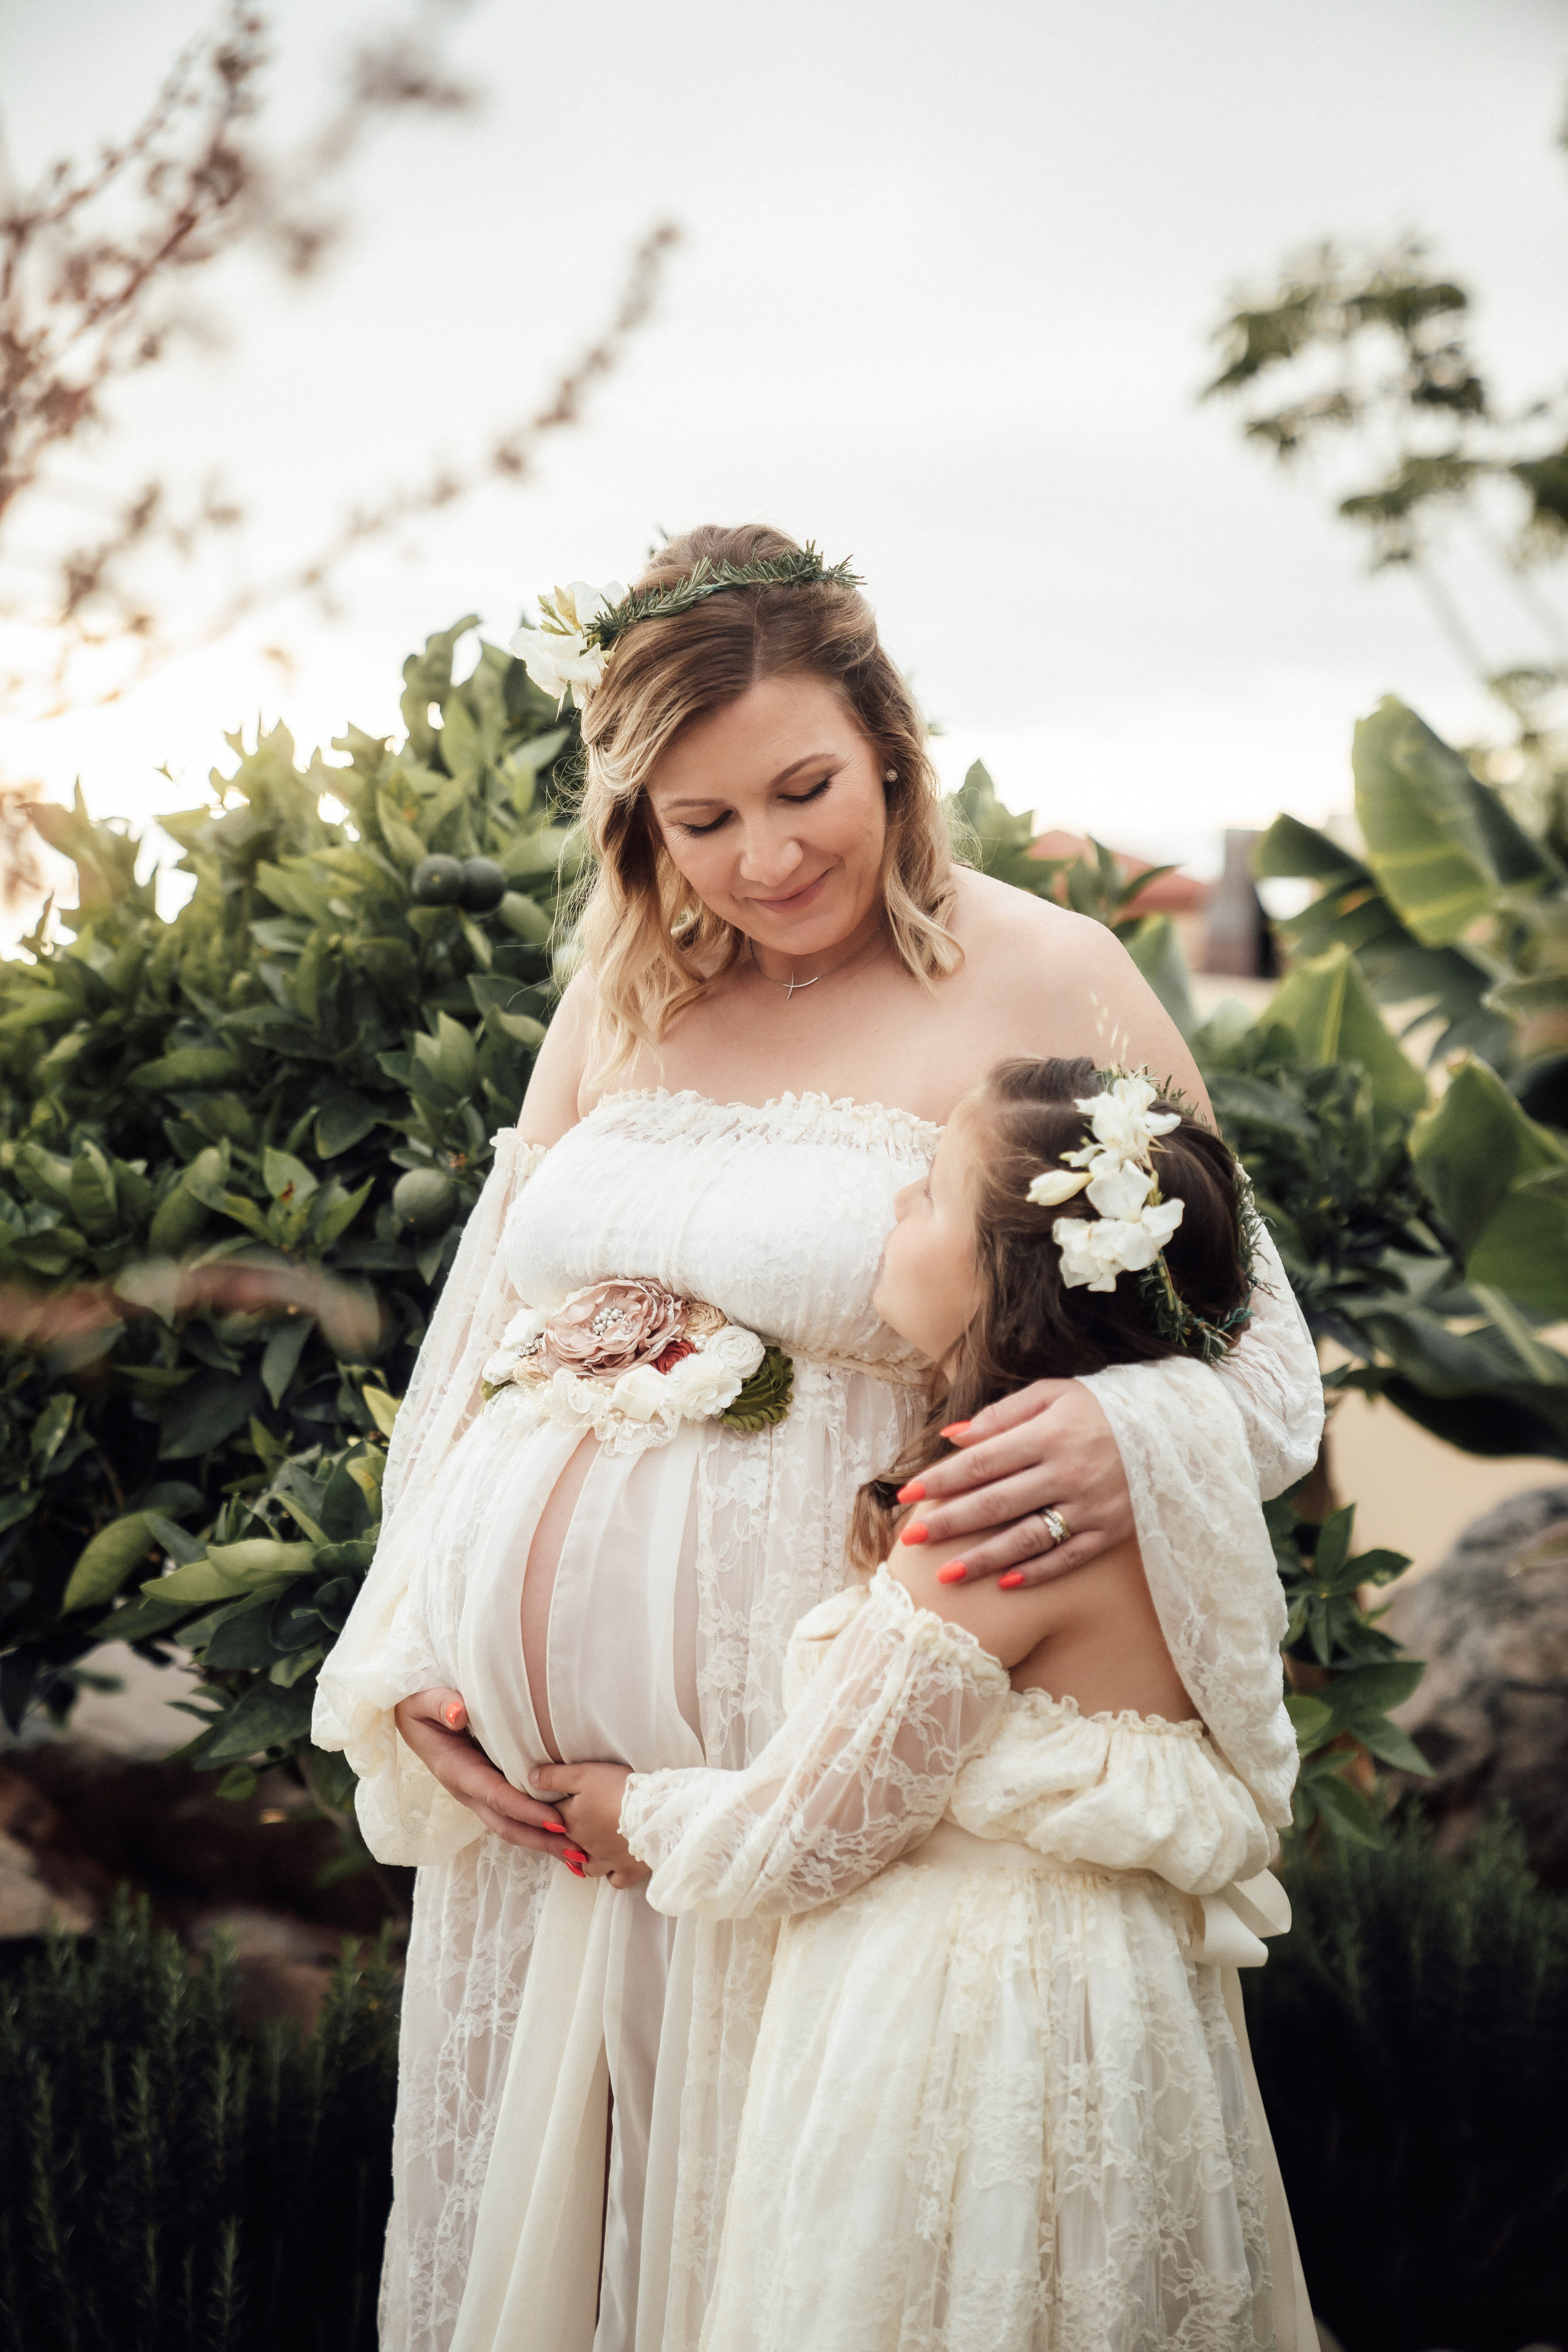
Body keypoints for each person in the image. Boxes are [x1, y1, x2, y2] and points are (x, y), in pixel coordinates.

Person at [311, 527, 1322, 2352]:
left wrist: (1127, 1427)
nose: (765, 859)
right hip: (555, 1817)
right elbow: (480, 1346)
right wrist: (407, 1653)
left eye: (805, 791)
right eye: (702, 821)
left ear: (891, 749)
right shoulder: (622, 993)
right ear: (638, 824)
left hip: (823, 1776)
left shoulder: (1052, 972)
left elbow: (1249, 1355)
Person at [551, 1058, 1315, 2350]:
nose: (895, 1207)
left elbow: (821, 1824)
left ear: (1005, 1276)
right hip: (1121, 2009)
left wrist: (631, 1813)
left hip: (976, 2018)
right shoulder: (1157, 1498)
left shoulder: (995, 1521)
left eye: (929, 1193)